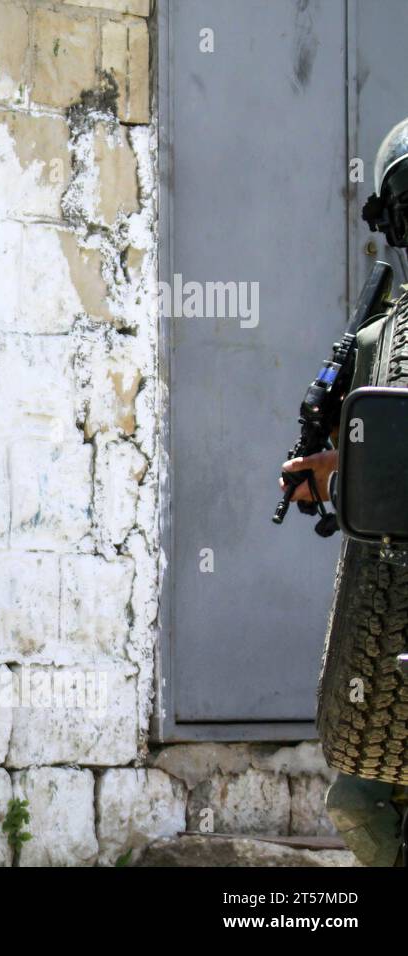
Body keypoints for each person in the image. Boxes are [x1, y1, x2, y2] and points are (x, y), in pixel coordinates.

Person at [279, 116, 408, 866]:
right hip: (389, 618)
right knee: (358, 798)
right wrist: (326, 471)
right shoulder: (375, 346)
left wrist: (330, 471)